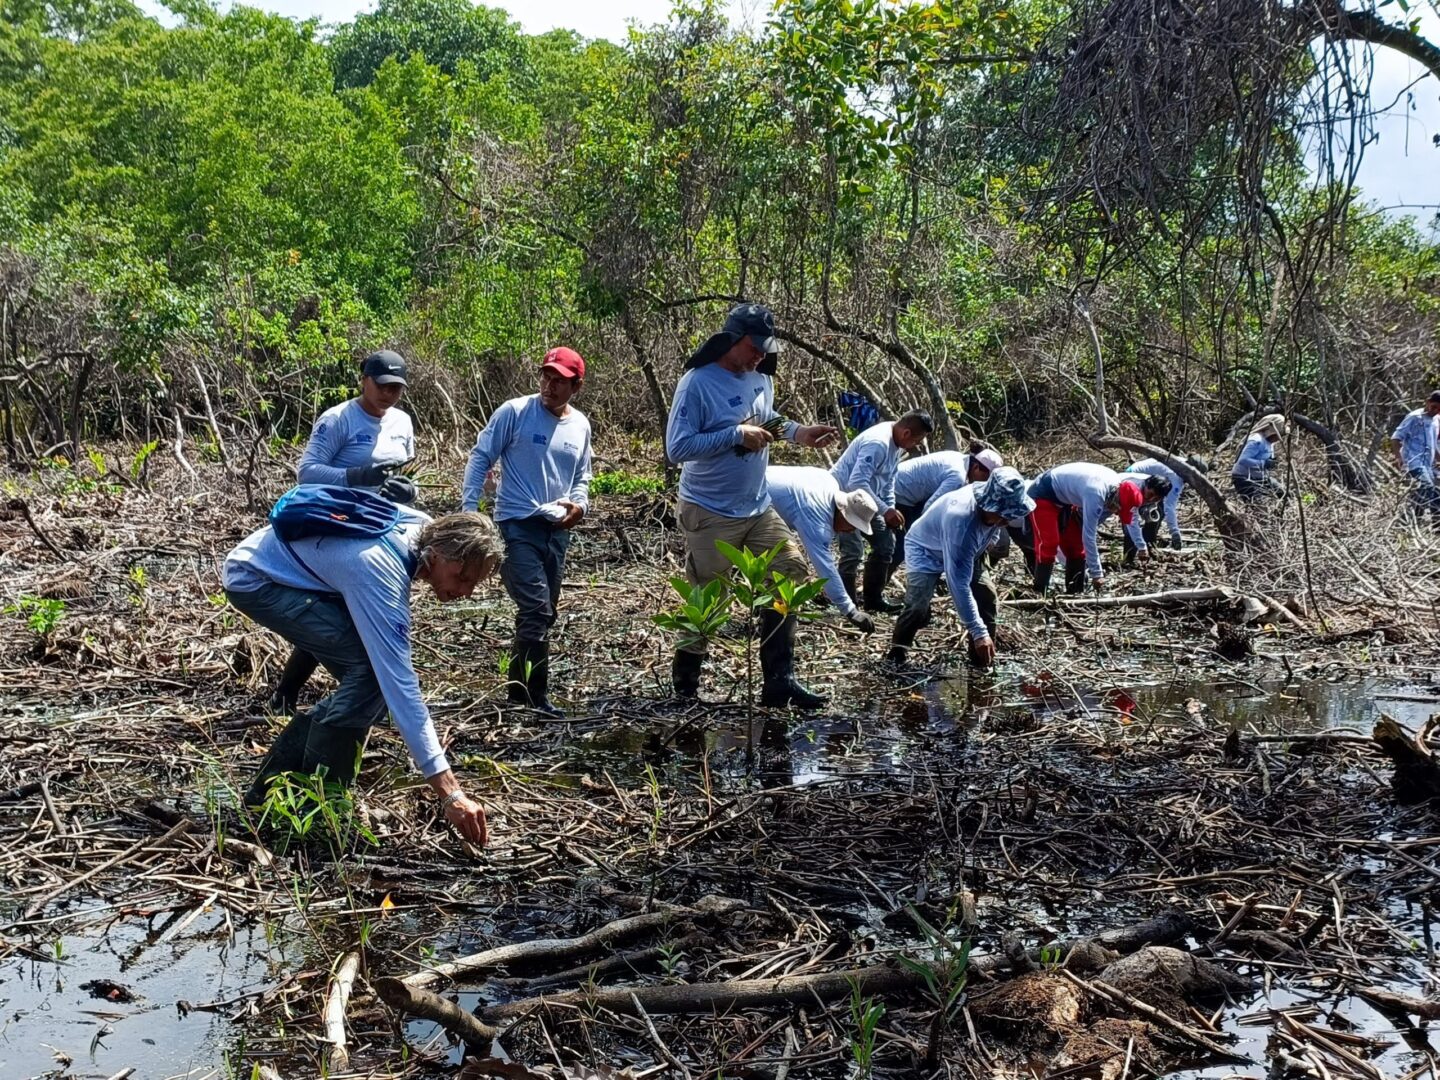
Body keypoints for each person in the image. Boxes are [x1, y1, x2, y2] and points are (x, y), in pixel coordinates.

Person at [223, 507, 500, 848]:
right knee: (372, 677)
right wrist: (450, 793)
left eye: (474, 582)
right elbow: (400, 686)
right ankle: (317, 814)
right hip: (257, 579)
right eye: (462, 577)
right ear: (439, 556)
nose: (467, 591)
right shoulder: (380, 571)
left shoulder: (426, 529)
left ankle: (271, 797)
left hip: (288, 569)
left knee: (369, 687)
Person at [664, 302, 840, 707]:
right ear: (731, 340)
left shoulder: (761, 377)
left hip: (757, 507)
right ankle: (686, 689)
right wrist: (734, 435)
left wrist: (799, 433)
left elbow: (768, 419)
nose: (761, 354)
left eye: (765, 346)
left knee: (790, 574)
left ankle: (779, 679)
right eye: (754, 345)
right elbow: (676, 448)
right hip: (709, 509)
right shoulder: (697, 382)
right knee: (709, 600)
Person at [270, 350, 418, 714]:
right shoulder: (338, 420)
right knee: (340, 610)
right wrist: (354, 477)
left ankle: (350, 697)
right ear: (364, 380)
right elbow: (307, 473)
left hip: (379, 527)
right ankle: (292, 695)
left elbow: (406, 471)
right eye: (383, 386)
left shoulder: (402, 422)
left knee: (358, 613)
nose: (389, 394)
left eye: (397, 388)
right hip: (335, 525)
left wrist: (408, 491)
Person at [460, 348, 593, 716]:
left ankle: (518, 696)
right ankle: (535, 699)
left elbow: (582, 476)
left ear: (575, 386)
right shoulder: (515, 412)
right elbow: (481, 457)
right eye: (546, 377)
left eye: (559, 381)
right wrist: (468, 512)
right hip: (516, 524)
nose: (549, 386)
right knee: (535, 608)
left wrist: (580, 506)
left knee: (544, 614)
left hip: (557, 529)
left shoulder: (580, 425)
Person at [886, 467, 1035, 669]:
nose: (1006, 520)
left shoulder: (993, 510)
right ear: (988, 505)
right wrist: (977, 630)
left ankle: (981, 660)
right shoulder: (962, 520)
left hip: (969, 549)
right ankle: (896, 656)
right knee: (917, 606)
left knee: (987, 598)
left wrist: (992, 538)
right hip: (925, 549)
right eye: (1002, 514)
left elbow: (995, 527)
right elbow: (958, 583)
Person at [831, 410, 935, 612]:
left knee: (886, 544)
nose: (917, 445)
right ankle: (846, 605)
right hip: (844, 498)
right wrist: (885, 510)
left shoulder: (897, 445)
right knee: (853, 552)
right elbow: (856, 482)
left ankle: (873, 600)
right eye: (917, 440)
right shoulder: (878, 443)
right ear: (906, 433)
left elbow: (888, 482)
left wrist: (890, 509)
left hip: (870, 501)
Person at [766, 465, 882, 634]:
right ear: (843, 513)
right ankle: (776, 626)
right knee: (791, 568)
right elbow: (825, 568)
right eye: (853, 525)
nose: (851, 531)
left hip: (751, 478)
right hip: (742, 499)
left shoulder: (828, 481)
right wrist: (850, 611)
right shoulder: (818, 520)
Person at [1023, 463, 1170, 594]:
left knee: (1076, 548)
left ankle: (1075, 593)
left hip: (1066, 501)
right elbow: (1089, 536)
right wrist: (1097, 574)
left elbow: (1131, 521)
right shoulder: (1096, 495)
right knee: (1049, 544)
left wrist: (1141, 546)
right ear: (1115, 500)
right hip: (1044, 493)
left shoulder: (1122, 491)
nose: (1117, 512)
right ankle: (1039, 592)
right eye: (1118, 510)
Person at [889, 444, 1004, 576]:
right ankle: (877, 590)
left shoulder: (960, 459)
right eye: (986, 479)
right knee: (900, 547)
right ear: (976, 468)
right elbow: (929, 509)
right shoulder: (957, 477)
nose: (986, 484)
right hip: (900, 492)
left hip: (911, 492)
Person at [1121, 454, 1209, 563]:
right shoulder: (1176, 477)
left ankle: (1149, 547)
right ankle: (1128, 559)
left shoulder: (1180, 463)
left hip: (1145, 479)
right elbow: (1170, 507)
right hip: (1134, 478)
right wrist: (1175, 533)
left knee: (1157, 514)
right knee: (1131, 519)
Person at [1392, 392, 1440, 526]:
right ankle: (1408, 521)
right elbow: (1396, 437)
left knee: (1436, 492)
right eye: (1434, 407)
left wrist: (1438, 458)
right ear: (1427, 402)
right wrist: (1398, 458)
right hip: (1414, 462)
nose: (1435, 411)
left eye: (1439, 409)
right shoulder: (1414, 417)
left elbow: (1433, 443)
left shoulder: (1436, 420)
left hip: (1428, 464)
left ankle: (1437, 526)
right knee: (1426, 486)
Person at [1231, 414, 1287, 500]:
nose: (1280, 438)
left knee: (1284, 494)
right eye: (1280, 434)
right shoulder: (1256, 440)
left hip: (1260, 477)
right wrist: (1264, 463)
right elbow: (1242, 460)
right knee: (1260, 505)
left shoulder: (1269, 442)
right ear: (1272, 431)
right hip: (1244, 478)